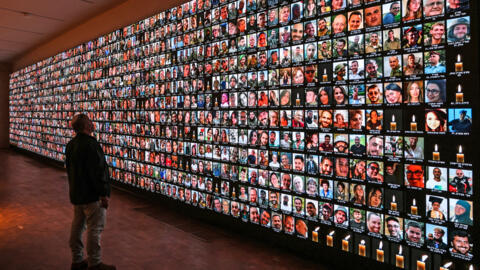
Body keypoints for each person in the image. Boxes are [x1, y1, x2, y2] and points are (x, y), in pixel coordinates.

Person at [65, 114, 115, 270]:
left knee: (77, 226)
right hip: (92, 196)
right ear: (86, 125)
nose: (93, 123)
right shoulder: (91, 145)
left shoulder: (71, 145)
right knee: (95, 229)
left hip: (77, 194)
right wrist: (103, 194)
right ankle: (95, 263)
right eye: (90, 121)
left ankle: (77, 260)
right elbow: (98, 171)